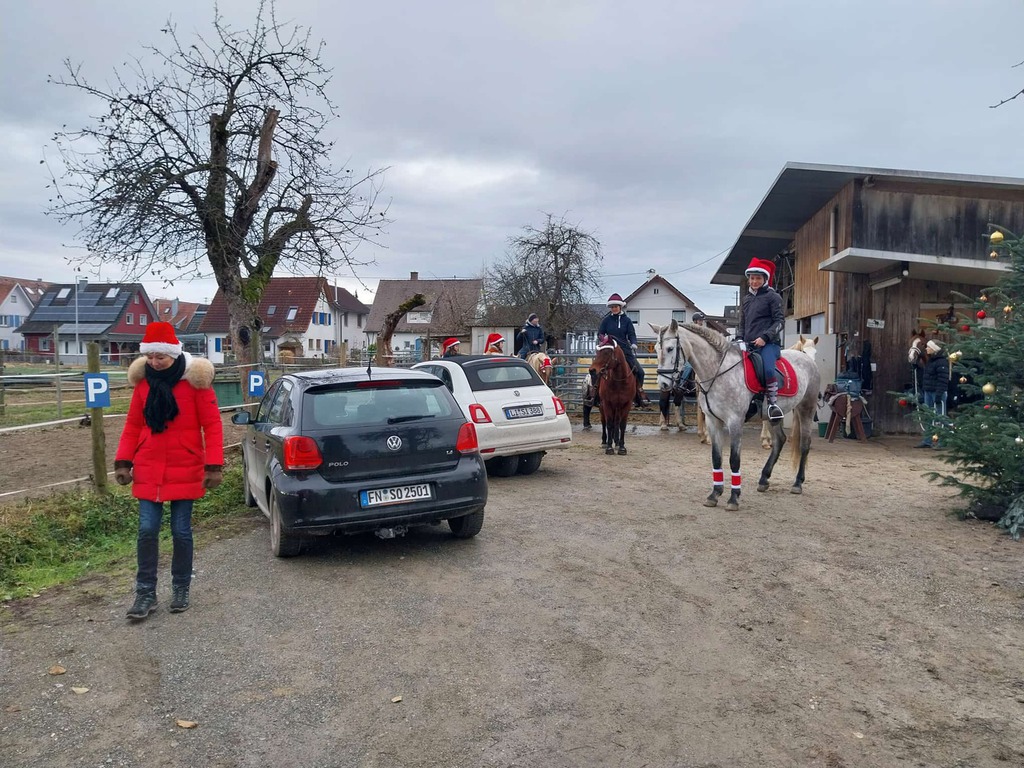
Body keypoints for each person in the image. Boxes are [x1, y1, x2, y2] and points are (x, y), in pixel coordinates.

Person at [114, 322, 223, 620]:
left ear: (173, 354)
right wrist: (123, 460)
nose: (154, 362)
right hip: (149, 466)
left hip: (186, 465)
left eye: (159, 356)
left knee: (180, 531)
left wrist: (213, 465)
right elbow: (133, 425)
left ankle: (180, 588)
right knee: (147, 530)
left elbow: (212, 425)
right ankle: (145, 593)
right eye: (149, 356)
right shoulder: (143, 384)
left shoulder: (196, 383)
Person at [740, 258, 785, 420]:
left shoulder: (773, 297)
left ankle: (773, 404)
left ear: (765, 279)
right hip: (748, 344)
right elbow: (743, 323)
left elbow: (780, 321)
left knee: (768, 370)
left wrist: (765, 337)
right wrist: (739, 338)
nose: (754, 281)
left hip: (769, 344)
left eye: (758, 278)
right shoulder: (746, 299)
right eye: (752, 278)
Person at [597, 293, 651, 407]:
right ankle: (595, 396)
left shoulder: (627, 320)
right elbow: (600, 333)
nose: (614, 309)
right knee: (597, 371)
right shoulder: (606, 320)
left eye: (616, 306)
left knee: (640, 372)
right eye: (612, 307)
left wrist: (634, 343)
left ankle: (637, 395)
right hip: (610, 350)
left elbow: (631, 334)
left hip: (625, 351)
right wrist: (604, 339)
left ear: (620, 307)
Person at [915, 339, 951, 448]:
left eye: (929, 347)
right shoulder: (931, 361)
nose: (926, 348)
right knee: (928, 416)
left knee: (940, 416)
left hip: (937, 392)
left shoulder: (941, 362)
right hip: (929, 391)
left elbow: (943, 379)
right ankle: (928, 440)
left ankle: (943, 441)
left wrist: (939, 394)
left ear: (934, 349)